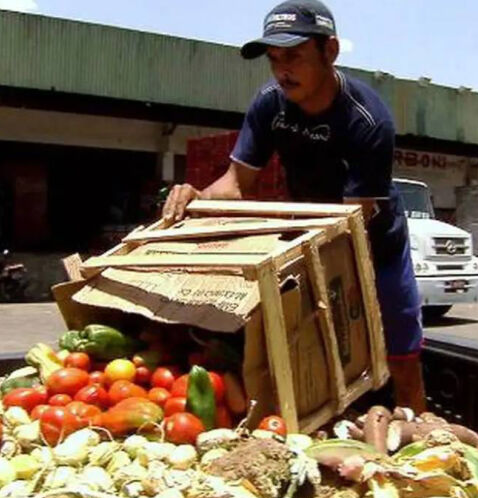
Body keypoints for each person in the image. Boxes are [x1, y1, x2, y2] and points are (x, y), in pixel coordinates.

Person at [162, 0, 426, 411]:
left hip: (375, 244)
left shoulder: (368, 120)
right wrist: (198, 198)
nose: (282, 71)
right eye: (273, 59)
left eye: (294, 57)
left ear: (330, 51)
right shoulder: (270, 103)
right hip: (309, 237)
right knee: (310, 355)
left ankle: (421, 432)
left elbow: (355, 216)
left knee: (401, 356)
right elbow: (235, 183)